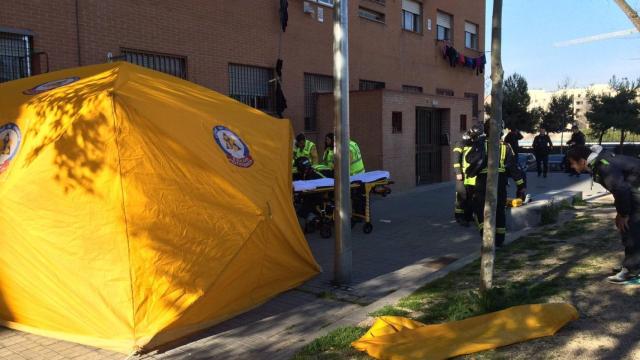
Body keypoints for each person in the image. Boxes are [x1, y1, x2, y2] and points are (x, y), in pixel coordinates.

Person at [567, 145, 640, 283]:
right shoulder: (599, 163)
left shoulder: (604, 166)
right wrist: (620, 212)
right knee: (628, 225)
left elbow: (621, 189)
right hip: (633, 188)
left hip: (635, 189)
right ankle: (632, 264)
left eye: (572, 163)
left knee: (631, 228)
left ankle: (632, 270)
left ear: (582, 161)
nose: (571, 166)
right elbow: (619, 190)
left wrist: (623, 214)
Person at [466, 121, 526, 247]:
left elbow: (469, 159)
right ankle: (499, 240)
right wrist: (521, 186)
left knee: (480, 208)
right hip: (500, 181)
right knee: (500, 210)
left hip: (483, 180)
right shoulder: (506, 146)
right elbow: (514, 168)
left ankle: (485, 236)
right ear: (501, 130)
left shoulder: (480, 143)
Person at [453, 126, 481, 226]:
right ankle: (459, 217)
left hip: (472, 174)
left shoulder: (475, 143)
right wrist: (458, 172)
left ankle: (468, 216)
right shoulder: (460, 143)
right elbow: (456, 160)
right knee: (462, 196)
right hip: (462, 175)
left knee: (471, 196)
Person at [294, 156, 326, 231]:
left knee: (303, 208)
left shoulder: (312, 176)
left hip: (317, 197)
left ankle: (313, 220)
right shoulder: (310, 173)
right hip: (316, 195)